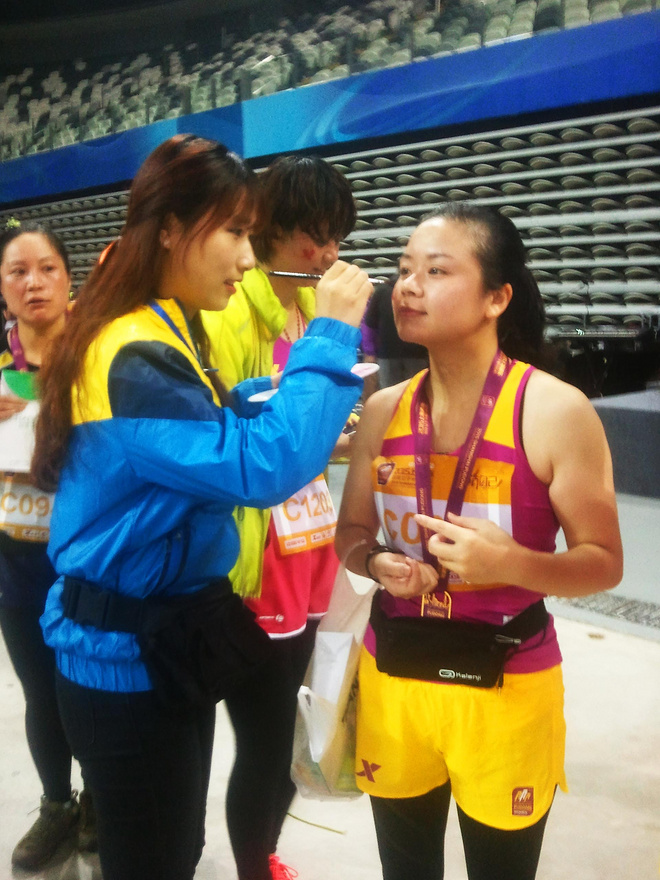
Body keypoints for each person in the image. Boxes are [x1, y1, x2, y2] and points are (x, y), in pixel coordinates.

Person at [30, 134, 372, 880]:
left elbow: (205, 431)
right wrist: (332, 334)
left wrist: (257, 399)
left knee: (173, 849)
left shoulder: (164, 325)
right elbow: (258, 467)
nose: (248, 258)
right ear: (172, 229)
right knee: (150, 857)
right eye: (237, 232)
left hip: (164, 642)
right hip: (122, 656)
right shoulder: (132, 351)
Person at [335, 203, 623, 880]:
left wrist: (511, 563)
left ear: (497, 297)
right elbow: (351, 535)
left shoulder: (554, 410)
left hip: (507, 682)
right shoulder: (381, 410)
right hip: (396, 675)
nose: (408, 286)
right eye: (403, 271)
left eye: (436, 271)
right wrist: (378, 562)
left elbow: (604, 562)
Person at [202, 154, 357, 880]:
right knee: (263, 741)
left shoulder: (309, 306)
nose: (327, 255)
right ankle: (252, 863)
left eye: (336, 239)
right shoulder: (233, 310)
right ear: (268, 231)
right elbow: (232, 439)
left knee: (293, 734)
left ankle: (262, 851)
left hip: (310, 547)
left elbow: (304, 427)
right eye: (313, 238)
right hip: (254, 559)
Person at [0, 221, 96, 869]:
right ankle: (57, 802)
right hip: (17, 561)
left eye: (47, 269)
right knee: (40, 689)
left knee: (87, 687)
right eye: (17, 272)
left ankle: (100, 801)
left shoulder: (101, 362)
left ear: (69, 281)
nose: (33, 283)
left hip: (91, 559)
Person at [362, 277, 428, 393]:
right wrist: (370, 352)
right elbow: (370, 324)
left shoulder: (422, 292)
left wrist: (370, 352)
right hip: (392, 355)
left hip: (414, 355)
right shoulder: (383, 292)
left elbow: (369, 324)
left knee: (415, 393)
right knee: (395, 395)